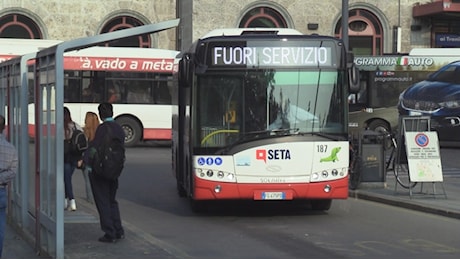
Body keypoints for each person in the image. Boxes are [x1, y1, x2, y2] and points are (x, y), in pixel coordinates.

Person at [84, 102, 125, 243]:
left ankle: (109, 232)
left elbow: (94, 148)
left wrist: (87, 163)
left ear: (101, 114)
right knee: (112, 200)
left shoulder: (102, 129)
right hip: (115, 169)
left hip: (101, 170)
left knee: (103, 202)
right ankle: (118, 229)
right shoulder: (119, 128)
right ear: (112, 112)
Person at [0, 115, 18, 257]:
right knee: (0, 227)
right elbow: (13, 171)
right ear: (4, 128)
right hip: (1, 191)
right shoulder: (11, 148)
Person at [64, 107, 83, 211]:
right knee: (67, 178)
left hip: (65, 157)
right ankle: (66, 201)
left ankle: (71, 201)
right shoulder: (76, 126)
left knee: (67, 180)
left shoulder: (62, 127)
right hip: (75, 157)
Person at [80, 111, 100, 203]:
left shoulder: (84, 132)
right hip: (98, 161)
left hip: (87, 161)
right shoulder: (100, 132)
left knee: (88, 181)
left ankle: (90, 199)